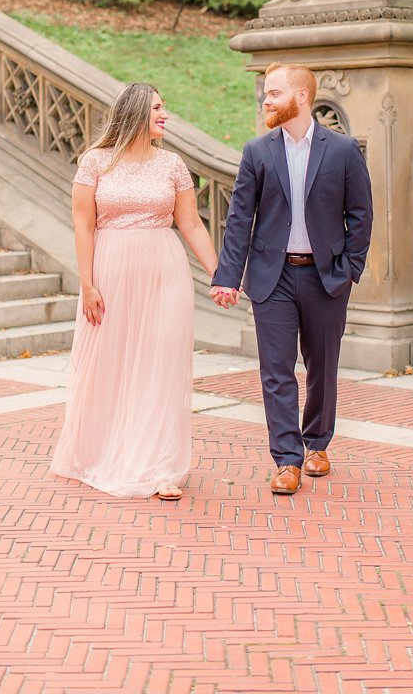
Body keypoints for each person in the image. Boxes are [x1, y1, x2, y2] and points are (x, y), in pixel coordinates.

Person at [211, 63, 373, 496]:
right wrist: (227, 276)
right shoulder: (257, 152)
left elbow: (360, 214)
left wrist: (349, 268)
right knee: (276, 371)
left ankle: (317, 443)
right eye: (265, 93)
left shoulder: (342, 151)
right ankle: (287, 459)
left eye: (275, 93)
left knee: (322, 367)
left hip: (326, 277)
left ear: (301, 97)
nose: (266, 100)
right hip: (272, 277)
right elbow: (239, 218)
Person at [51, 82, 218, 501]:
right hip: (111, 274)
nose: (166, 115)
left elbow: (192, 224)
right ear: (136, 113)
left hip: (165, 273)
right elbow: (84, 224)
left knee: (161, 366)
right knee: (113, 364)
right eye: (158, 108)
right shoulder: (95, 163)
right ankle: (104, 451)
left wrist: (220, 274)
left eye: (165, 107)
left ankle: (161, 466)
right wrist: (87, 283)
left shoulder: (173, 165)